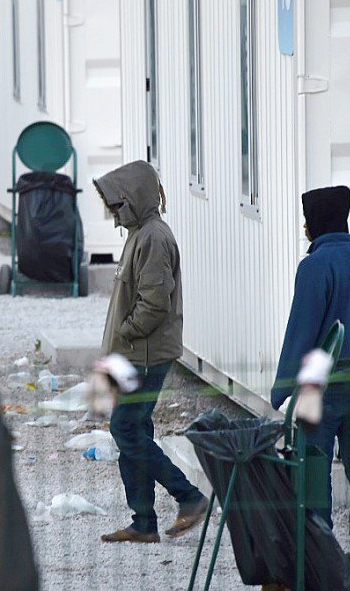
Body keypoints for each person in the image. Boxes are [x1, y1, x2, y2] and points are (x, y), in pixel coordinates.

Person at [94, 160, 208, 543]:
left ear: (134, 197)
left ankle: (189, 497)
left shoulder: (154, 237)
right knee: (135, 429)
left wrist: (126, 334)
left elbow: (154, 302)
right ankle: (143, 522)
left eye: (116, 202)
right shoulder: (140, 232)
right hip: (133, 353)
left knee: (124, 428)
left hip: (144, 354)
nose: (113, 210)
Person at [271, 185, 350, 570]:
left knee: (316, 466)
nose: (304, 227)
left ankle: (322, 550)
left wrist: (282, 387)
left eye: (307, 219)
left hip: (324, 385)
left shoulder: (315, 267)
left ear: (316, 222)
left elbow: (301, 331)